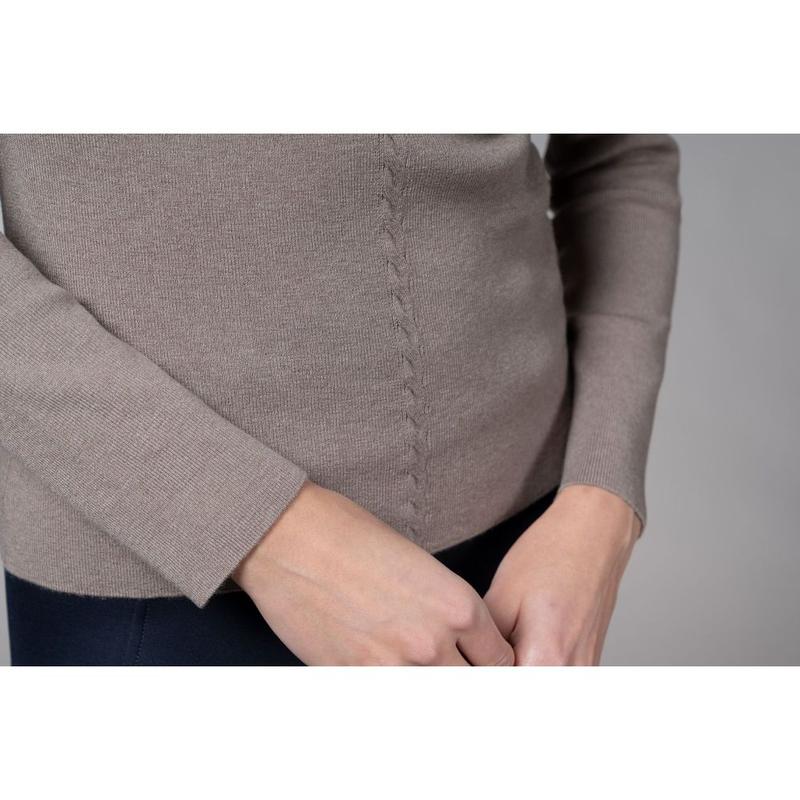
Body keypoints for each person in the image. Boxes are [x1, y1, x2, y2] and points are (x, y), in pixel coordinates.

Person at [0, 134, 680, 666]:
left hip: (531, 552)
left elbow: (621, 155)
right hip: (158, 566)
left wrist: (600, 503)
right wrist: (260, 528)